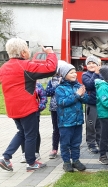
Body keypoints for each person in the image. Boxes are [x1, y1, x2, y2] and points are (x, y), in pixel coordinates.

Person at [0, 38, 57, 172]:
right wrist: (50, 53)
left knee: (22, 132)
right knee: (31, 134)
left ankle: (6, 157)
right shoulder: (26, 65)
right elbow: (51, 68)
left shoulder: (4, 67)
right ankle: (31, 162)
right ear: (24, 52)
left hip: (12, 107)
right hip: (26, 107)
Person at [56, 62, 89, 172]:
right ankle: (66, 162)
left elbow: (87, 100)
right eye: (71, 72)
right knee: (65, 143)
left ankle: (76, 160)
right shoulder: (60, 89)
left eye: (75, 72)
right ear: (64, 74)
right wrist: (77, 95)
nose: (75, 74)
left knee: (76, 142)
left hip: (78, 121)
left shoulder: (78, 86)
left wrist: (83, 95)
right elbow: (62, 102)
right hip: (65, 122)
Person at [82, 55, 102, 154]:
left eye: (93, 63)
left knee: (99, 125)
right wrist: (96, 73)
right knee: (91, 125)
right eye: (89, 63)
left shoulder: (101, 74)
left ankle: (99, 142)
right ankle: (91, 143)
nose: (91, 65)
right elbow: (89, 85)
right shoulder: (85, 75)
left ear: (98, 64)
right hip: (91, 104)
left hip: (101, 104)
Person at [46, 72, 62, 159]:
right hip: (54, 109)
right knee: (56, 129)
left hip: (64, 108)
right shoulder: (51, 81)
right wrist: (57, 86)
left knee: (65, 129)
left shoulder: (66, 79)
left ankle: (66, 148)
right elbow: (48, 92)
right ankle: (54, 148)